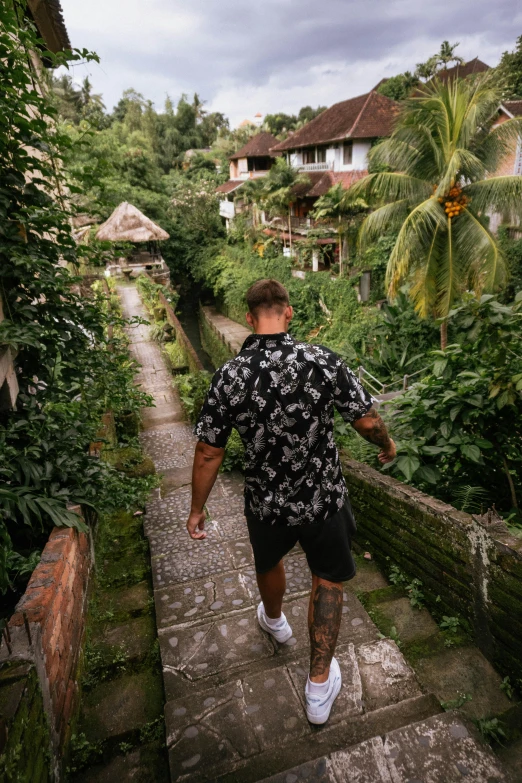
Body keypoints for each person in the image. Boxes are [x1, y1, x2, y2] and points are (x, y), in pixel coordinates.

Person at [186, 279, 396, 725]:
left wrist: (196, 508)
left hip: (266, 503)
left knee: (269, 563)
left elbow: (209, 450)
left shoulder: (230, 376)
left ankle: (276, 622)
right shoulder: (320, 360)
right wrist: (387, 443)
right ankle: (319, 684)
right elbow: (365, 419)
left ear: (248, 317)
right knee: (328, 578)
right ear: (289, 312)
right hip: (323, 499)